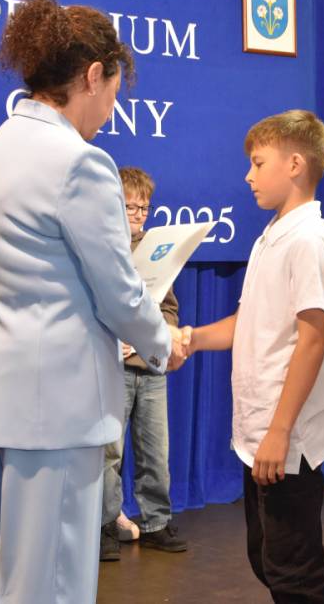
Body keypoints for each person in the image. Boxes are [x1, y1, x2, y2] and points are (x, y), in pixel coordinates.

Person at [0, 0, 187, 604]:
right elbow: (118, 289)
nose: (111, 111)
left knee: (3, 580)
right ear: (92, 76)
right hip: (53, 404)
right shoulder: (80, 162)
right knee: (52, 584)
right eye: (114, 93)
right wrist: (162, 341)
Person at [189, 110, 324, 603]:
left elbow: (313, 338)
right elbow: (250, 322)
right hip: (260, 432)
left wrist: (280, 430)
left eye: (258, 163)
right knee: (268, 559)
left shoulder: (308, 240)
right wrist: (190, 338)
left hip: (287, 435)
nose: (248, 176)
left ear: (295, 164)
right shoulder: (271, 237)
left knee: (294, 574)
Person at [100, 166, 188, 562]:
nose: (138, 215)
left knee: (156, 450)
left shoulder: (156, 250)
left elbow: (168, 309)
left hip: (150, 366)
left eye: (144, 208)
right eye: (130, 207)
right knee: (109, 453)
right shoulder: (102, 248)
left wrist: (157, 334)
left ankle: (156, 521)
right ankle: (105, 524)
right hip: (113, 367)